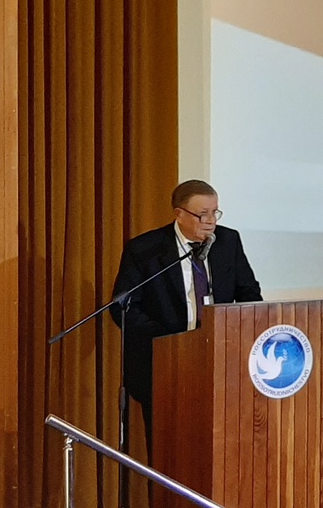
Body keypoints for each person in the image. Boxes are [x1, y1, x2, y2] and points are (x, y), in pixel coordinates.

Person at [110, 179, 262, 455]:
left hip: (221, 363)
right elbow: (124, 309)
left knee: (218, 450)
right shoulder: (145, 250)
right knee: (168, 451)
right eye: (202, 214)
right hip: (165, 366)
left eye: (215, 212)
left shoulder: (228, 241)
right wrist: (171, 342)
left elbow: (249, 292)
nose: (210, 221)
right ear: (179, 214)